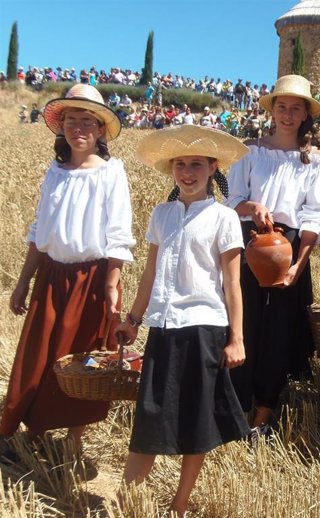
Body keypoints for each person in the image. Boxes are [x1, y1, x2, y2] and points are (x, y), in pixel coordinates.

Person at [117, 126, 251, 516]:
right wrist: (133, 319)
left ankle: (179, 504)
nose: (187, 172)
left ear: (212, 169)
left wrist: (236, 338)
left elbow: (232, 284)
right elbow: (150, 272)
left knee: (196, 419)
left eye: (196, 164)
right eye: (180, 164)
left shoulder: (224, 218)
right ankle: (129, 504)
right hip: (163, 326)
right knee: (149, 415)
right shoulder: (162, 214)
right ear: (171, 170)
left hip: (204, 328)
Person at [0, 84, 134, 452]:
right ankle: (33, 432)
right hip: (52, 278)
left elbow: (118, 235)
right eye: (71, 120)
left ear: (100, 129)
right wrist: (23, 282)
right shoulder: (55, 172)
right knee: (38, 355)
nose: (78, 128)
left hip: (93, 279)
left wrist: (111, 286)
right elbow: (39, 232)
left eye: (87, 121)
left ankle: (74, 438)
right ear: (62, 127)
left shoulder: (111, 174)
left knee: (80, 360)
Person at [225, 74, 320, 436]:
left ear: (306, 114)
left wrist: (299, 264)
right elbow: (231, 199)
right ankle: (236, 407)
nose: (288, 115)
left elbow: (314, 215)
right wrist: (252, 206)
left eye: (296, 108)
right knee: (243, 324)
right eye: (282, 107)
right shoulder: (249, 151)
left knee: (280, 332)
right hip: (249, 241)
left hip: (289, 246)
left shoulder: (316, 161)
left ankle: (264, 415)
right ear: (272, 111)